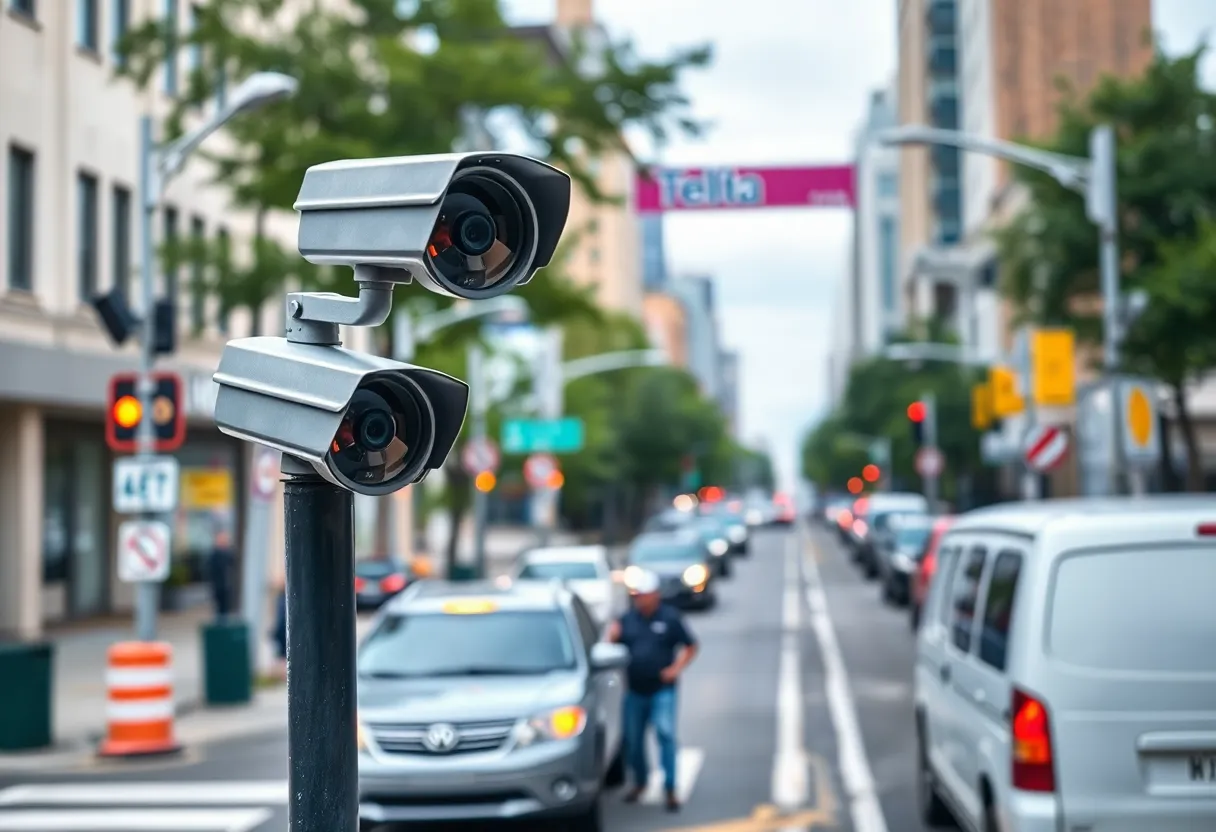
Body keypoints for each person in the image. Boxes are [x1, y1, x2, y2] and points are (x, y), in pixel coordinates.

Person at [606, 569, 699, 812]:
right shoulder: (627, 620)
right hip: (635, 690)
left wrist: (675, 668)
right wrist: (612, 637)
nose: (640, 600)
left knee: (665, 733)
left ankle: (670, 787)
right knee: (633, 741)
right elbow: (610, 648)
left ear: (655, 595)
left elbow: (691, 646)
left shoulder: (669, 618)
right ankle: (640, 781)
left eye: (644, 595)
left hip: (662, 689)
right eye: (637, 596)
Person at [208, 529, 236, 619]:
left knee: (225, 609)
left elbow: (232, 563)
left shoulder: (228, 553)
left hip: (226, 586)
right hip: (218, 586)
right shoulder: (215, 554)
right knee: (219, 609)